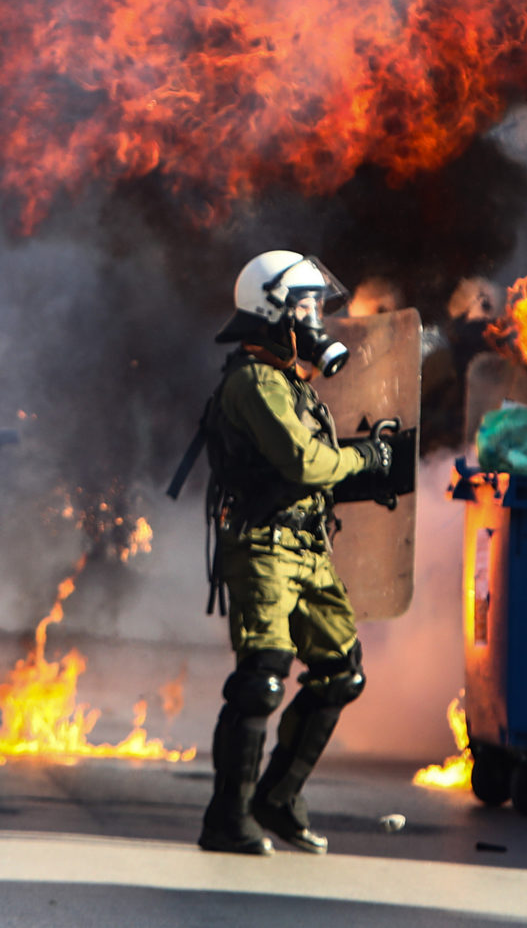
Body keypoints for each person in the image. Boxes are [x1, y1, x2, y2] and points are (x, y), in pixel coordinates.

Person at [192, 251, 409, 856]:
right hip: (262, 545)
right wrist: (368, 459)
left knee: (342, 671)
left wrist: (373, 461)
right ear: (273, 312)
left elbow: (317, 468)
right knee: (261, 680)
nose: (318, 320)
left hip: (307, 546)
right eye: (307, 307)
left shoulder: (288, 381)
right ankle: (227, 819)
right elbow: (307, 463)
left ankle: (278, 799)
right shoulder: (253, 382)